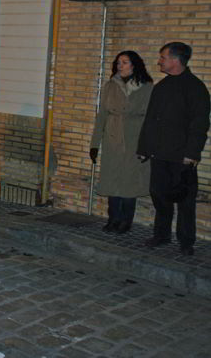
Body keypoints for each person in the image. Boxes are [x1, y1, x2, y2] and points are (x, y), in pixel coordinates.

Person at [137, 42, 210, 256]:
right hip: (159, 154)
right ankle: (161, 235)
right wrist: (144, 147)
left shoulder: (195, 88)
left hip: (182, 157)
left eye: (162, 57)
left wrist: (192, 154)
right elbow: (150, 120)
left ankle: (186, 241)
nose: (159, 61)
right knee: (159, 195)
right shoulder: (161, 87)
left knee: (185, 201)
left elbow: (200, 124)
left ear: (176, 60)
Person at [90, 51, 153, 234]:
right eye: (118, 62)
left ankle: (126, 221)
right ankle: (113, 219)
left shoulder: (147, 86)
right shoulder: (110, 85)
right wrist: (94, 144)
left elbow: (150, 118)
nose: (120, 65)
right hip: (112, 139)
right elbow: (101, 115)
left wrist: (147, 146)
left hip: (135, 139)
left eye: (125, 62)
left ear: (134, 65)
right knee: (112, 182)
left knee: (129, 184)